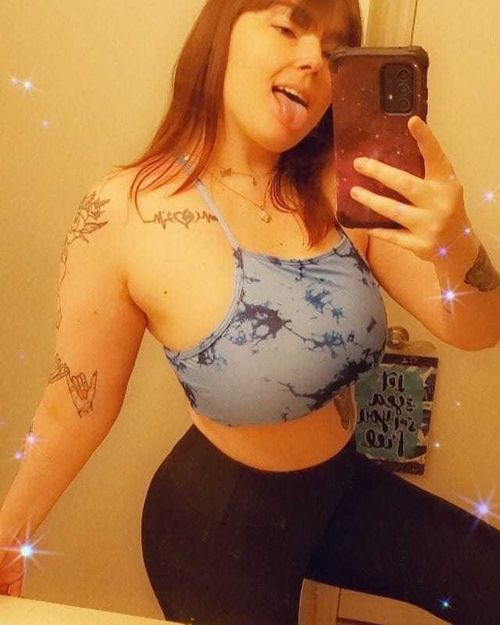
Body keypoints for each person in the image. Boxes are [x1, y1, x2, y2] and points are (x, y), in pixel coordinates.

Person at [1, 0, 499, 623]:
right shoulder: (125, 214)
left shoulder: (347, 186)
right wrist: (8, 533)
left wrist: (456, 243)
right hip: (218, 527)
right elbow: (77, 403)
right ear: (221, 35)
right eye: (288, 27)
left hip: (339, 489)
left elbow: (477, 329)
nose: (314, 60)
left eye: (334, 50)